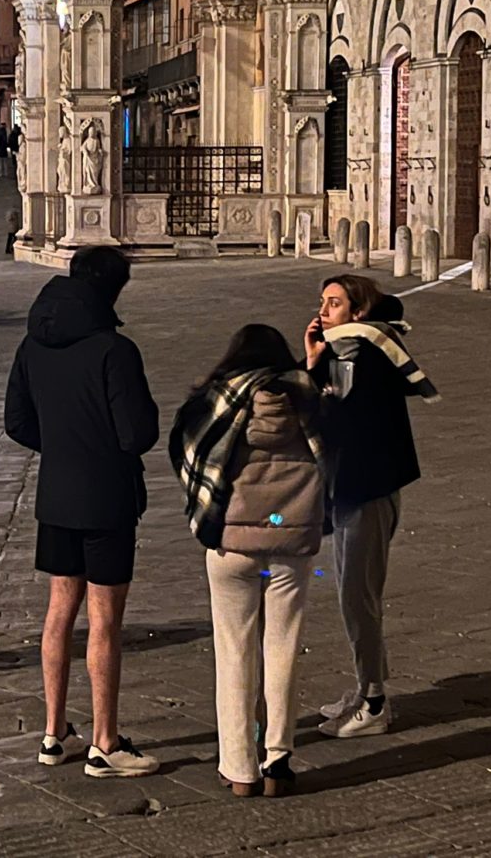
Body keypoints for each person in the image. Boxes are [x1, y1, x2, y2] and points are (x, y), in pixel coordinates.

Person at [4, 246, 161, 779]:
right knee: (106, 621)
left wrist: (61, 444)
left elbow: (16, 422)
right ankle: (106, 741)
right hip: (107, 496)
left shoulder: (33, 342)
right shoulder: (114, 349)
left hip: (56, 493)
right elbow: (137, 433)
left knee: (59, 611)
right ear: (114, 289)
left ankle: (54, 734)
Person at [169, 325, 325, 798]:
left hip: (232, 542)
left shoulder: (217, 399)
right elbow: (344, 444)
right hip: (292, 539)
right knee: (282, 648)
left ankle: (240, 767)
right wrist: (314, 363)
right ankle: (278, 759)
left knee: (234, 651)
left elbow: (183, 447)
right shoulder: (310, 396)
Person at [304, 274, 439, 738]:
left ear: (359, 313)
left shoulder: (374, 355)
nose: (324, 311)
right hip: (350, 488)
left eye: (335, 304)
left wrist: (317, 371)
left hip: (367, 488)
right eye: (323, 302)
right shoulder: (346, 353)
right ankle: (365, 686)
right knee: (354, 592)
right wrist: (314, 361)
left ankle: (375, 700)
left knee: (357, 595)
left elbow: (340, 419)